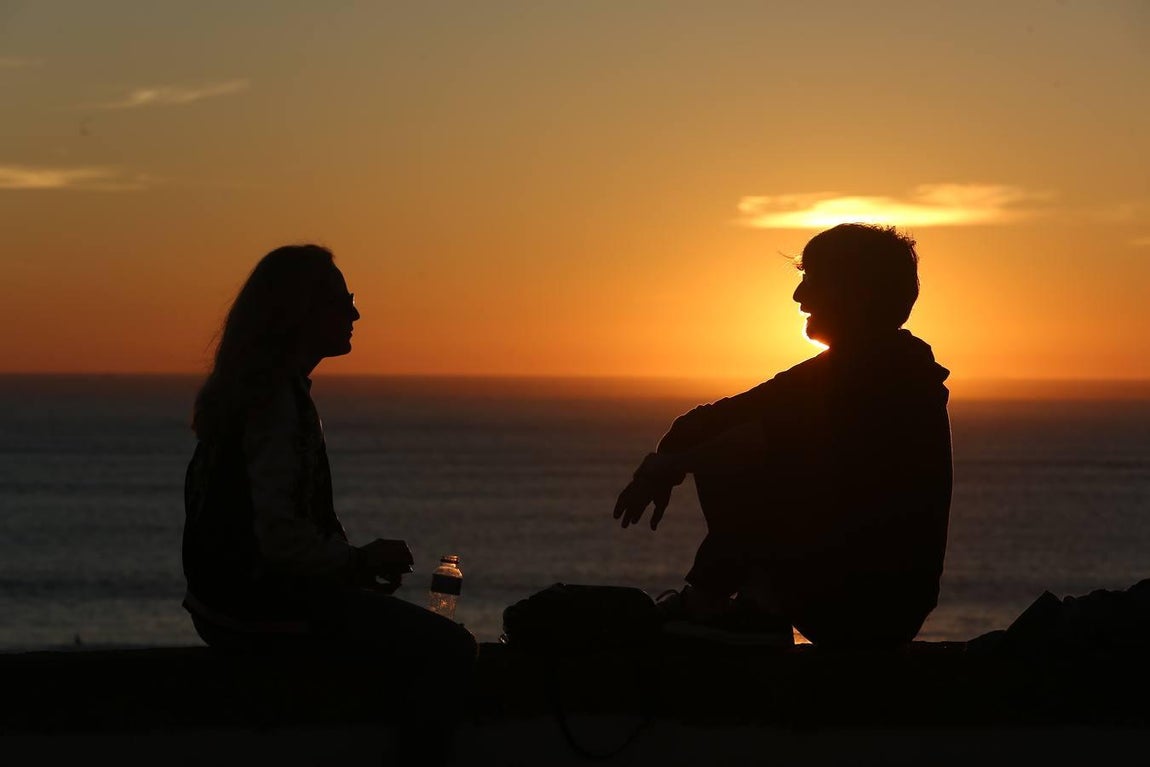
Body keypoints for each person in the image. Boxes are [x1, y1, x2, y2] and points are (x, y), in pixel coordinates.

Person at [182, 244, 475, 760]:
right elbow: (278, 537)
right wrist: (355, 560)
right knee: (448, 649)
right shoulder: (276, 404)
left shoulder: (261, 392)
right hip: (252, 610)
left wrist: (351, 569)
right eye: (342, 302)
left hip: (221, 603)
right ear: (300, 312)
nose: (355, 314)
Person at [613, 223, 952, 648]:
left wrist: (673, 464)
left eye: (813, 280)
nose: (798, 297)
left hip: (870, 604)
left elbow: (753, 442)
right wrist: (666, 462)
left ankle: (727, 605)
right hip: (838, 594)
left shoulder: (891, 378)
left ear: (857, 293)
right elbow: (705, 423)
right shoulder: (833, 373)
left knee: (734, 453)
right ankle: (750, 606)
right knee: (718, 443)